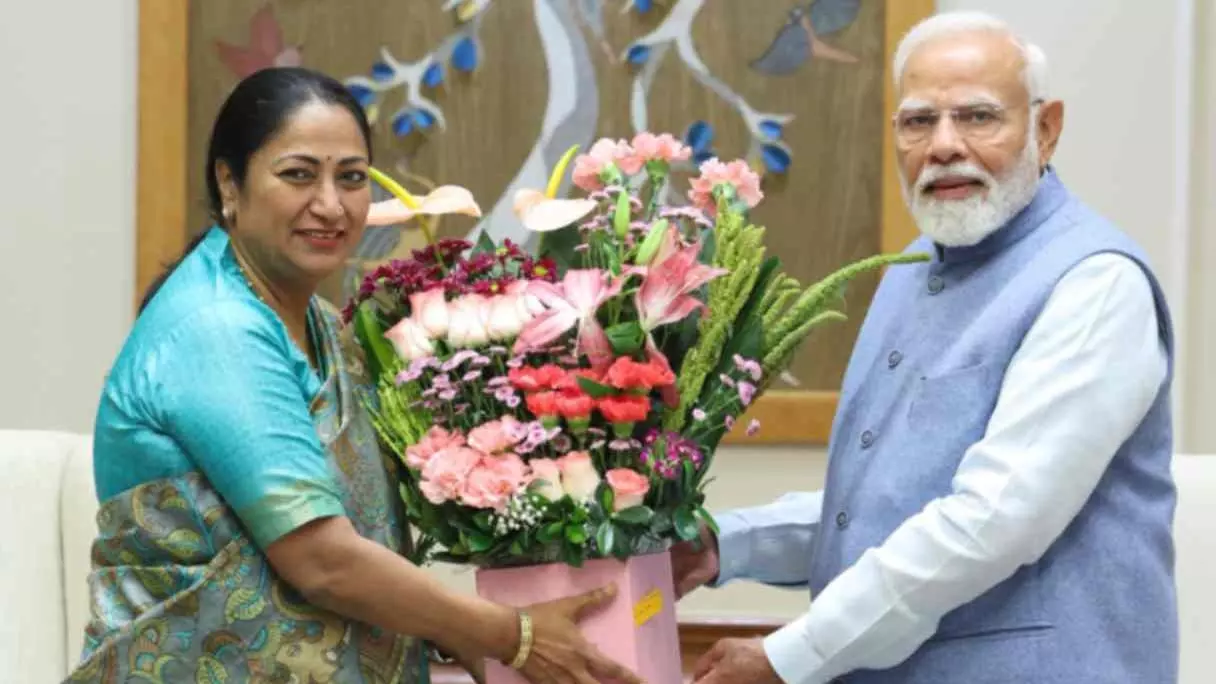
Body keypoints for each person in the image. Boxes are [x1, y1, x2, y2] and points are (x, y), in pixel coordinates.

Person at [66, 67, 640, 684]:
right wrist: (512, 636)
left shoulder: (318, 322)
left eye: (352, 178)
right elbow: (321, 561)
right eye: (298, 175)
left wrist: (470, 634)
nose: (331, 205)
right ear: (229, 183)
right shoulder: (216, 326)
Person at [675, 11, 1177, 684]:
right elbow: (882, 508)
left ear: (1045, 128)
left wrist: (789, 655)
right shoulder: (915, 266)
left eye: (977, 117)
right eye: (918, 121)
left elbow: (990, 523)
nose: (943, 145)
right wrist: (721, 545)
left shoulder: (1095, 284)